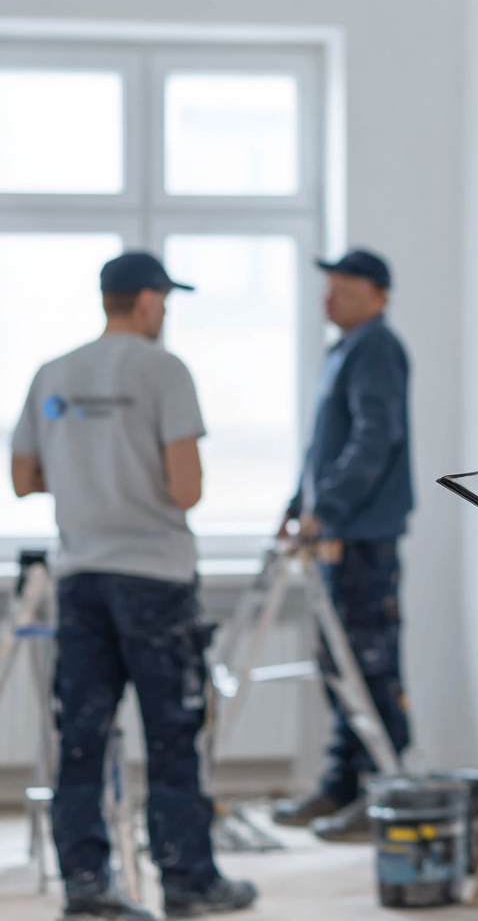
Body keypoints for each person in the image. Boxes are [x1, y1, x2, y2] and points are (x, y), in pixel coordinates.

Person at [10, 251, 258, 920]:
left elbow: (23, 478)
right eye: (165, 302)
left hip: (80, 578)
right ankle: (187, 881)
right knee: (172, 732)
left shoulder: (53, 372)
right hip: (154, 577)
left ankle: (87, 886)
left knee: (82, 735)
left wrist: (87, 471)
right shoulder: (164, 370)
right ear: (148, 300)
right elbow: (187, 489)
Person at [271, 248, 413, 842]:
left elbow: (374, 438)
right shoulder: (345, 351)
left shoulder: (375, 347)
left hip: (361, 540)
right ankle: (342, 784)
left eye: (342, 287)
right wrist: (297, 507)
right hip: (336, 536)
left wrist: (325, 507)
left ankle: (385, 793)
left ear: (377, 295)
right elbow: (322, 448)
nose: (328, 296)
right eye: (327, 286)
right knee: (339, 665)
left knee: (368, 667)